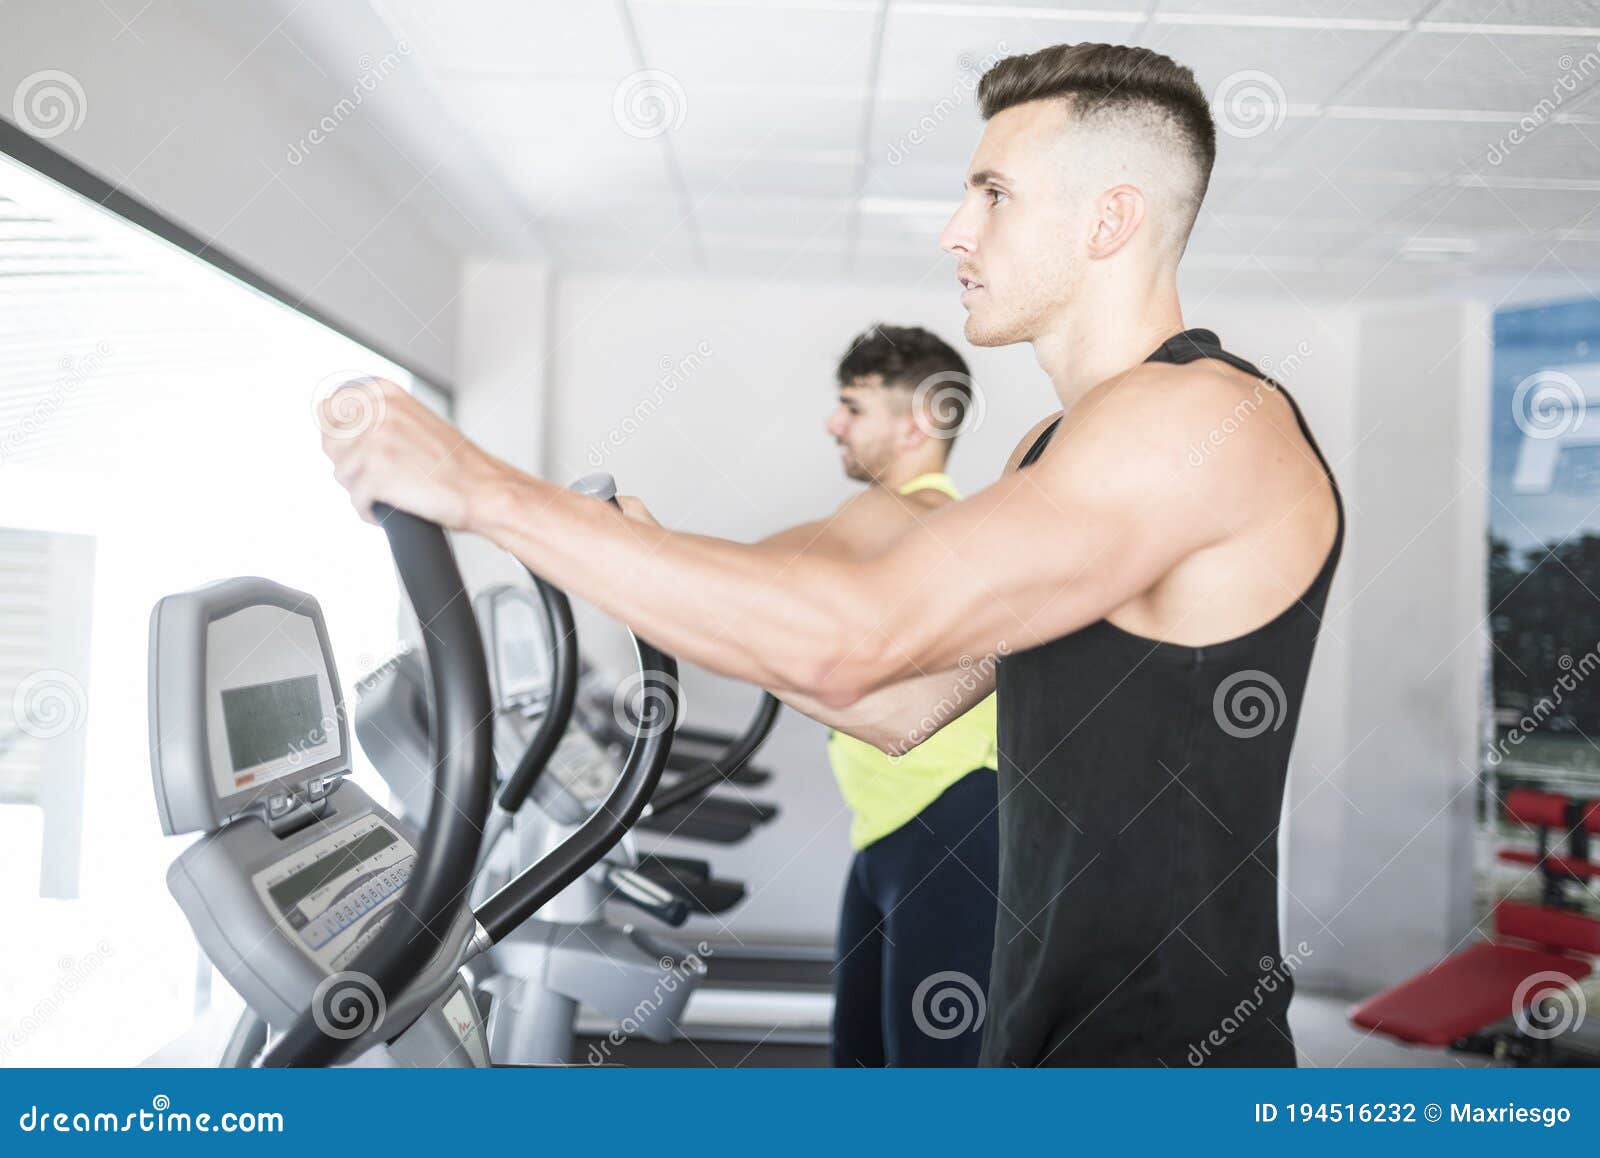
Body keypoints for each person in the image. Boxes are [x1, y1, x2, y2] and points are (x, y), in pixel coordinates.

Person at [320, 42, 1343, 1067]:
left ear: (1109, 219)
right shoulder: (1058, 446)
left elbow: (852, 642)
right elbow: (892, 705)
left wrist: (479, 489)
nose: (956, 231)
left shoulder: (1201, 419)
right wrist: (630, 565)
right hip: (1041, 1042)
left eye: (993, 194)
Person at [754, 323, 1001, 1066]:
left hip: (953, 825)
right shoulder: (901, 530)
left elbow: (753, 579)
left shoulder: (912, 519)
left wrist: (631, 550)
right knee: (860, 1065)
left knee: (929, 1083)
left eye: (853, 406)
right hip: (891, 832)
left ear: (920, 419)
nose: (834, 423)